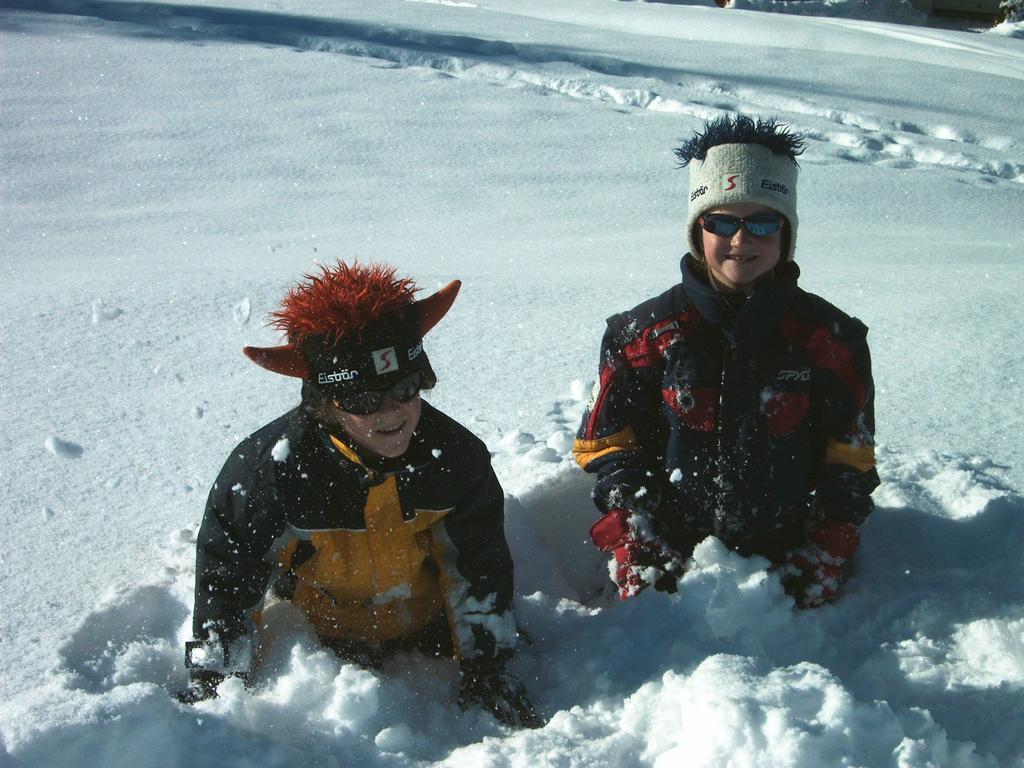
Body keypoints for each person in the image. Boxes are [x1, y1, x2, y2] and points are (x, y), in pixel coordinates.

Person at [178, 261, 541, 728]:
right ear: (327, 405)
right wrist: (216, 684)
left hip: (427, 625)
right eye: (363, 401)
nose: (390, 413)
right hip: (322, 637)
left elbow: (477, 566)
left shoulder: (455, 459)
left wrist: (489, 669)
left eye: (404, 388)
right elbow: (229, 576)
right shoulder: (272, 474)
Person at [573, 115, 879, 608]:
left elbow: (850, 455)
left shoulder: (831, 338)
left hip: (786, 555)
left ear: (786, 232)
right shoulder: (642, 333)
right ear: (698, 230)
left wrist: (828, 544)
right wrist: (634, 528)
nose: (742, 239)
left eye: (763, 222)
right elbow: (606, 444)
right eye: (722, 222)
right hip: (668, 549)